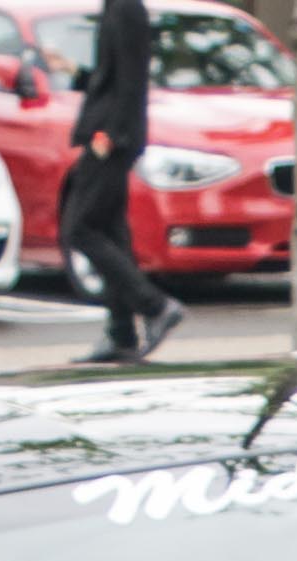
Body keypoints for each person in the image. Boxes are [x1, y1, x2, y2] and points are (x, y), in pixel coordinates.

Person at [62, 0, 181, 364]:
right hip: (109, 134)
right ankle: (121, 333)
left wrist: (113, 134)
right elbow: (111, 79)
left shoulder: (127, 8)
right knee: (112, 232)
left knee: (79, 228)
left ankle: (155, 306)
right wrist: (75, 72)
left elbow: (133, 79)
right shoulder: (117, 6)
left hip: (111, 139)